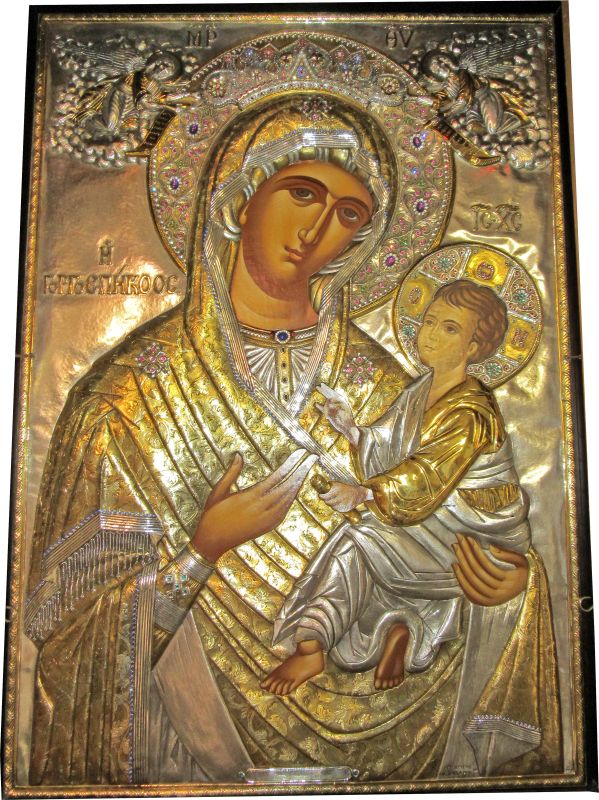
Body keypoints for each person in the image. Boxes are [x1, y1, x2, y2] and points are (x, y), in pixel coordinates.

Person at [25, 95, 559, 786]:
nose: (315, 229)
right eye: (300, 193)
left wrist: (509, 587)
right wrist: (203, 550)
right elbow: (69, 633)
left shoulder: (388, 386)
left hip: (399, 745)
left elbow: (456, 525)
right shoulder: (127, 396)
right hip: (189, 743)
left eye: (349, 213)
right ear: (238, 199)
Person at [263, 280, 531, 697]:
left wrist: (365, 494)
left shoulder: (472, 412)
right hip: (432, 522)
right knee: (379, 540)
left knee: (360, 538)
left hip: (475, 539)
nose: (430, 334)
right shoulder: (419, 391)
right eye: (429, 321)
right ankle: (403, 627)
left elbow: (427, 475)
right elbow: (389, 449)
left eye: (449, 328)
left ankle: (312, 643)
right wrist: (351, 429)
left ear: (475, 348)